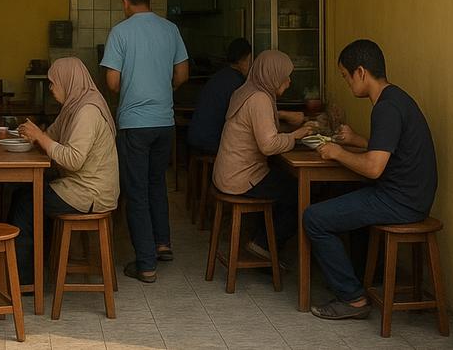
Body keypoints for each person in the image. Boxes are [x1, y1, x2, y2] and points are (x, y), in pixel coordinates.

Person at [304, 39, 438, 321]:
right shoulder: (396, 98)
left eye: (345, 76)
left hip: (400, 201)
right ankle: (361, 276)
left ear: (361, 72)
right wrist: (356, 140)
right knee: (345, 195)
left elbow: (375, 168)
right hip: (410, 195)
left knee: (314, 218)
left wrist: (339, 152)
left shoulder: (386, 108)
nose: (346, 83)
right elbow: (388, 152)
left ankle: (352, 298)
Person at [100, 0, 189, 283]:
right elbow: (182, 74)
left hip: (135, 125)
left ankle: (146, 264)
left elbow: (112, 83)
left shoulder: (120, 33)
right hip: (165, 122)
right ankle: (162, 243)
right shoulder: (170, 29)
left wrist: (133, 87)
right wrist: (163, 88)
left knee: (135, 191)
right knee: (156, 185)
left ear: (124, 0)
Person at [7, 57, 120, 286]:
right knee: (24, 192)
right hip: (79, 186)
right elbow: (52, 134)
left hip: (90, 193)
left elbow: (73, 160)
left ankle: (24, 281)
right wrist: (36, 134)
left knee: (25, 203)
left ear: (67, 81)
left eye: (53, 82)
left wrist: (40, 137)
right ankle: (38, 267)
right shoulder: (74, 106)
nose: (50, 88)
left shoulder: (87, 111)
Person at [212, 50, 314, 260]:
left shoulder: (246, 90)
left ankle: (263, 240)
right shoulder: (259, 98)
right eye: (284, 76)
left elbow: (257, 123)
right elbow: (268, 145)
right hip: (241, 178)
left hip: (227, 173)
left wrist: (283, 117)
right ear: (272, 75)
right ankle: (264, 245)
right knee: (301, 192)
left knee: (283, 182)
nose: (288, 80)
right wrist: (297, 135)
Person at [186, 39, 310, 157]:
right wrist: (293, 133)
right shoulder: (242, 87)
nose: (251, 66)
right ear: (241, 61)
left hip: (199, 136)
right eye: (250, 60)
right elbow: (267, 143)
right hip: (211, 141)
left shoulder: (224, 76)